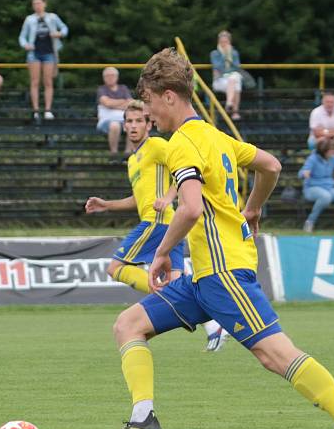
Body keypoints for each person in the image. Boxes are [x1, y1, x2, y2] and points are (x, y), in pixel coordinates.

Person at [99, 48, 334, 429]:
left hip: (224, 273)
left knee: (277, 355)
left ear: (169, 96)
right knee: (128, 324)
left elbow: (190, 207)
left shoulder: (181, 144)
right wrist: (252, 209)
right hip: (201, 278)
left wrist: (161, 254)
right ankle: (143, 420)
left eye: (150, 101)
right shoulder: (216, 137)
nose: (148, 112)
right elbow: (270, 166)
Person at [85, 100, 229, 352]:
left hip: (158, 223)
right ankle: (214, 324)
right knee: (177, 281)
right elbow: (138, 199)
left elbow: (186, 170)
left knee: (116, 268)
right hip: (167, 224)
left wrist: (170, 197)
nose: (132, 126)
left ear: (149, 123)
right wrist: (107, 205)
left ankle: (157, 292)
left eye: (138, 120)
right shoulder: (133, 159)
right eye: (128, 121)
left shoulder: (157, 145)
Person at [18, 0, 68, 121]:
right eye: (35, 4)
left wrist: (59, 33)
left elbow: (64, 28)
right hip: (34, 53)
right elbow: (22, 36)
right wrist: (26, 45)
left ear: (45, 4)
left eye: (39, 3)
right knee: (35, 82)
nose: (37, 6)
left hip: (49, 52)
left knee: (48, 82)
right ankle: (35, 110)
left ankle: (47, 110)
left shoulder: (52, 17)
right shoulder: (29, 19)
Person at [96, 67, 133, 157]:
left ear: (117, 77)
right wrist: (123, 102)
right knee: (114, 125)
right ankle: (114, 154)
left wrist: (113, 104)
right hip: (107, 120)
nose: (110, 77)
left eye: (112, 75)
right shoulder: (101, 89)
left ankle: (128, 154)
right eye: (107, 76)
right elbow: (106, 103)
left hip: (124, 119)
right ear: (104, 78)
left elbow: (131, 103)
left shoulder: (123, 88)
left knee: (132, 125)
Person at [210, 30, 243, 121]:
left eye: (226, 42)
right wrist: (224, 57)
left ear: (229, 42)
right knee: (235, 81)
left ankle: (229, 105)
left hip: (232, 79)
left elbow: (237, 67)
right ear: (218, 42)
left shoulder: (234, 53)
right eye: (222, 42)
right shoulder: (214, 53)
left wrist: (230, 57)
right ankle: (235, 112)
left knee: (234, 79)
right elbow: (218, 67)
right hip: (219, 80)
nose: (224, 44)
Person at [307, 91, 334, 158]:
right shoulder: (316, 112)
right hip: (315, 139)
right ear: (323, 102)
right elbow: (316, 133)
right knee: (324, 141)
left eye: (331, 102)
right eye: (327, 102)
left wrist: (324, 131)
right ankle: (323, 166)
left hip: (332, 137)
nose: (329, 104)